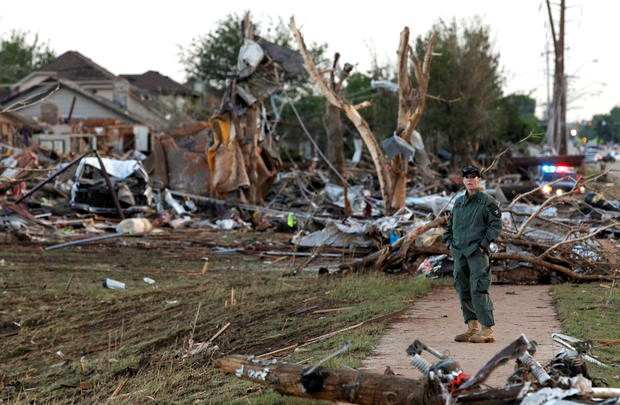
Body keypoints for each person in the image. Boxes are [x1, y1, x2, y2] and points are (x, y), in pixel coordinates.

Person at [443, 166, 502, 343]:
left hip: (477, 253)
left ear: (479, 180)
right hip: (460, 253)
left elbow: (495, 226)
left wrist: (483, 245)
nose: (470, 180)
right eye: (466, 177)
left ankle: (487, 329)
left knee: (479, 288)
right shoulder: (459, 203)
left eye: (473, 177)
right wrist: (450, 243)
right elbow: (450, 226)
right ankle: (472, 327)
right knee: (463, 288)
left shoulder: (488, 202)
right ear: (463, 181)